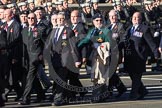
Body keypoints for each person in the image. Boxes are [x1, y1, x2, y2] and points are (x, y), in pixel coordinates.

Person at [119, 12, 160, 100]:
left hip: (139, 57)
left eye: (138, 18)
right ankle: (143, 91)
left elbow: (151, 43)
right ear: (131, 19)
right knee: (132, 76)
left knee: (137, 76)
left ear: (141, 19)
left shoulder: (145, 29)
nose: (136, 19)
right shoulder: (129, 28)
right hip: (129, 57)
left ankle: (133, 95)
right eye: (134, 17)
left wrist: (156, 54)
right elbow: (123, 41)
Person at [48, 12, 81, 106]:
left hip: (65, 60)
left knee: (61, 80)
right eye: (58, 19)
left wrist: (76, 60)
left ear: (65, 20)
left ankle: (58, 99)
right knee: (60, 79)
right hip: (55, 59)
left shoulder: (68, 30)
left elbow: (73, 45)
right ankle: (70, 97)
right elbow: (50, 45)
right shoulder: (54, 31)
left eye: (62, 18)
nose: (59, 20)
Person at [78, 13, 111, 102]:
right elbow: (86, 40)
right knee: (96, 76)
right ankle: (104, 94)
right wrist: (77, 46)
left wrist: (101, 46)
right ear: (93, 21)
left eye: (100, 20)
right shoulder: (92, 31)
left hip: (102, 57)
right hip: (93, 56)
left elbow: (110, 43)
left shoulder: (106, 31)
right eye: (96, 20)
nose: (98, 22)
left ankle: (96, 96)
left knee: (100, 76)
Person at [20, 13, 47, 105]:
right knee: (33, 78)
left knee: (30, 77)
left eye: (33, 18)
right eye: (29, 18)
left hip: (35, 58)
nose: (31, 19)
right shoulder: (24, 30)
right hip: (26, 58)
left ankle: (25, 98)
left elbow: (45, 43)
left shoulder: (40, 29)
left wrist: (42, 55)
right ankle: (41, 95)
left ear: (36, 19)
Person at [3, 8, 23, 102]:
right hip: (5, 55)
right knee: (8, 76)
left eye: (6, 14)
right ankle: (19, 92)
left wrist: (15, 56)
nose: (4, 16)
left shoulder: (16, 25)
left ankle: (5, 94)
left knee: (12, 77)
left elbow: (17, 42)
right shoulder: (4, 25)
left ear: (11, 15)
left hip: (13, 55)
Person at [107, 9, 127, 98]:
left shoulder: (120, 26)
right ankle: (119, 88)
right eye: (111, 16)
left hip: (116, 53)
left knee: (111, 72)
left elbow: (123, 40)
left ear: (117, 16)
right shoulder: (107, 26)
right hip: (107, 53)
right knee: (110, 73)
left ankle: (112, 90)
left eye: (114, 16)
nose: (112, 18)